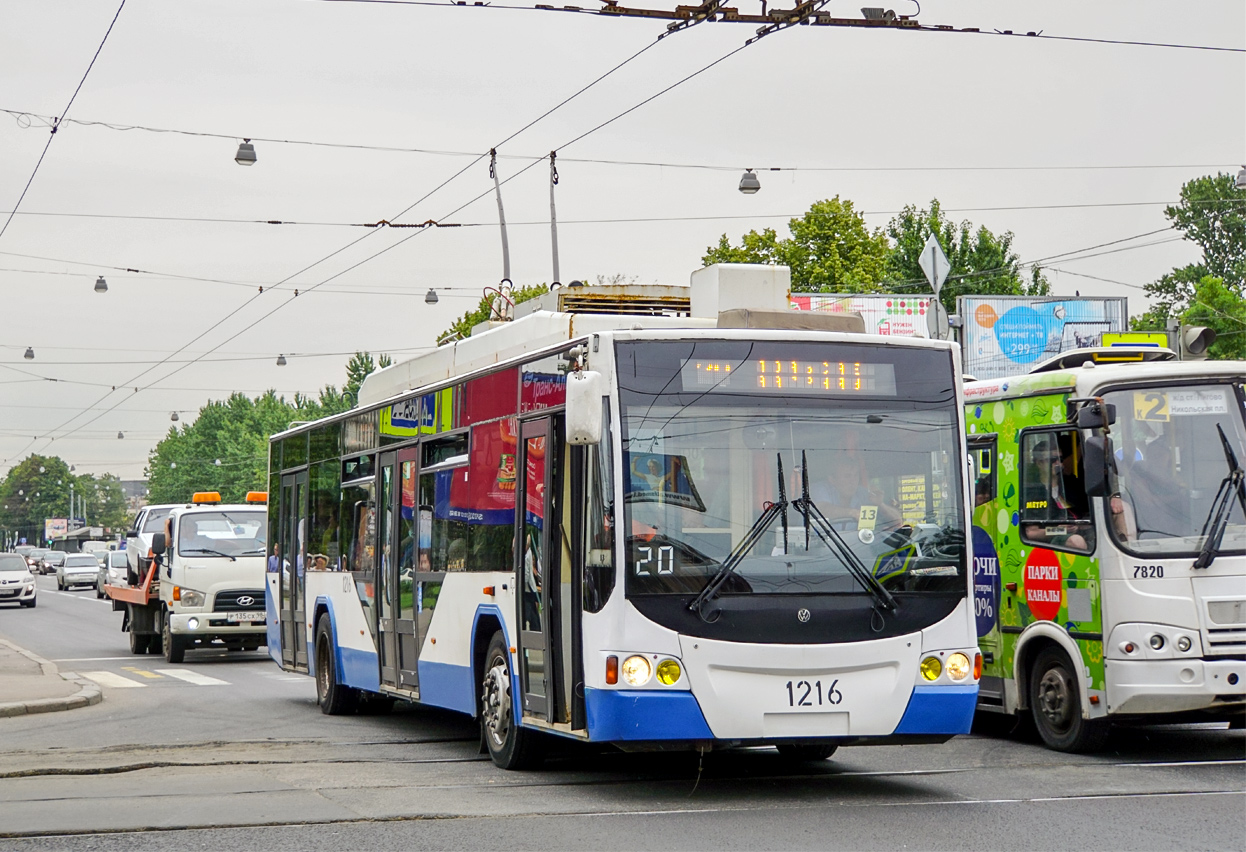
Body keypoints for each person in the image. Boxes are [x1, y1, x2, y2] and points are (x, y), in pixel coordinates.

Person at [1022, 437, 1089, 551]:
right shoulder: (1032, 492)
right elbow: (1031, 533)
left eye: (1060, 459)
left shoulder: (1072, 484)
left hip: (1084, 532)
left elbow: (1088, 512)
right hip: (1053, 542)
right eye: (1052, 459)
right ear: (1039, 463)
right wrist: (1059, 530)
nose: (1058, 463)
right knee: (1076, 541)